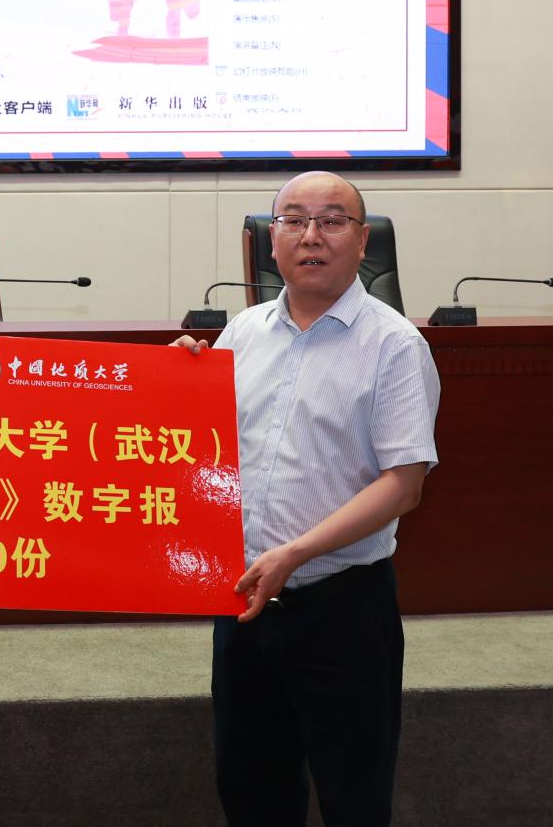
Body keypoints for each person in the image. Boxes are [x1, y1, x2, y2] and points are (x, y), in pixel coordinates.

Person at [177, 171, 440, 826]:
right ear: (272, 241)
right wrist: (175, 384)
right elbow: (204, 456)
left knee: (354, 799)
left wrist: (293, 554)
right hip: (244, 606)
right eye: (293, 220)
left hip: (343, 610)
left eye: (331, 220)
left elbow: (404, 485)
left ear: (363, 239)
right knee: (251, 794)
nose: (311, 236)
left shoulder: (394, 345)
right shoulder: (240, 335)